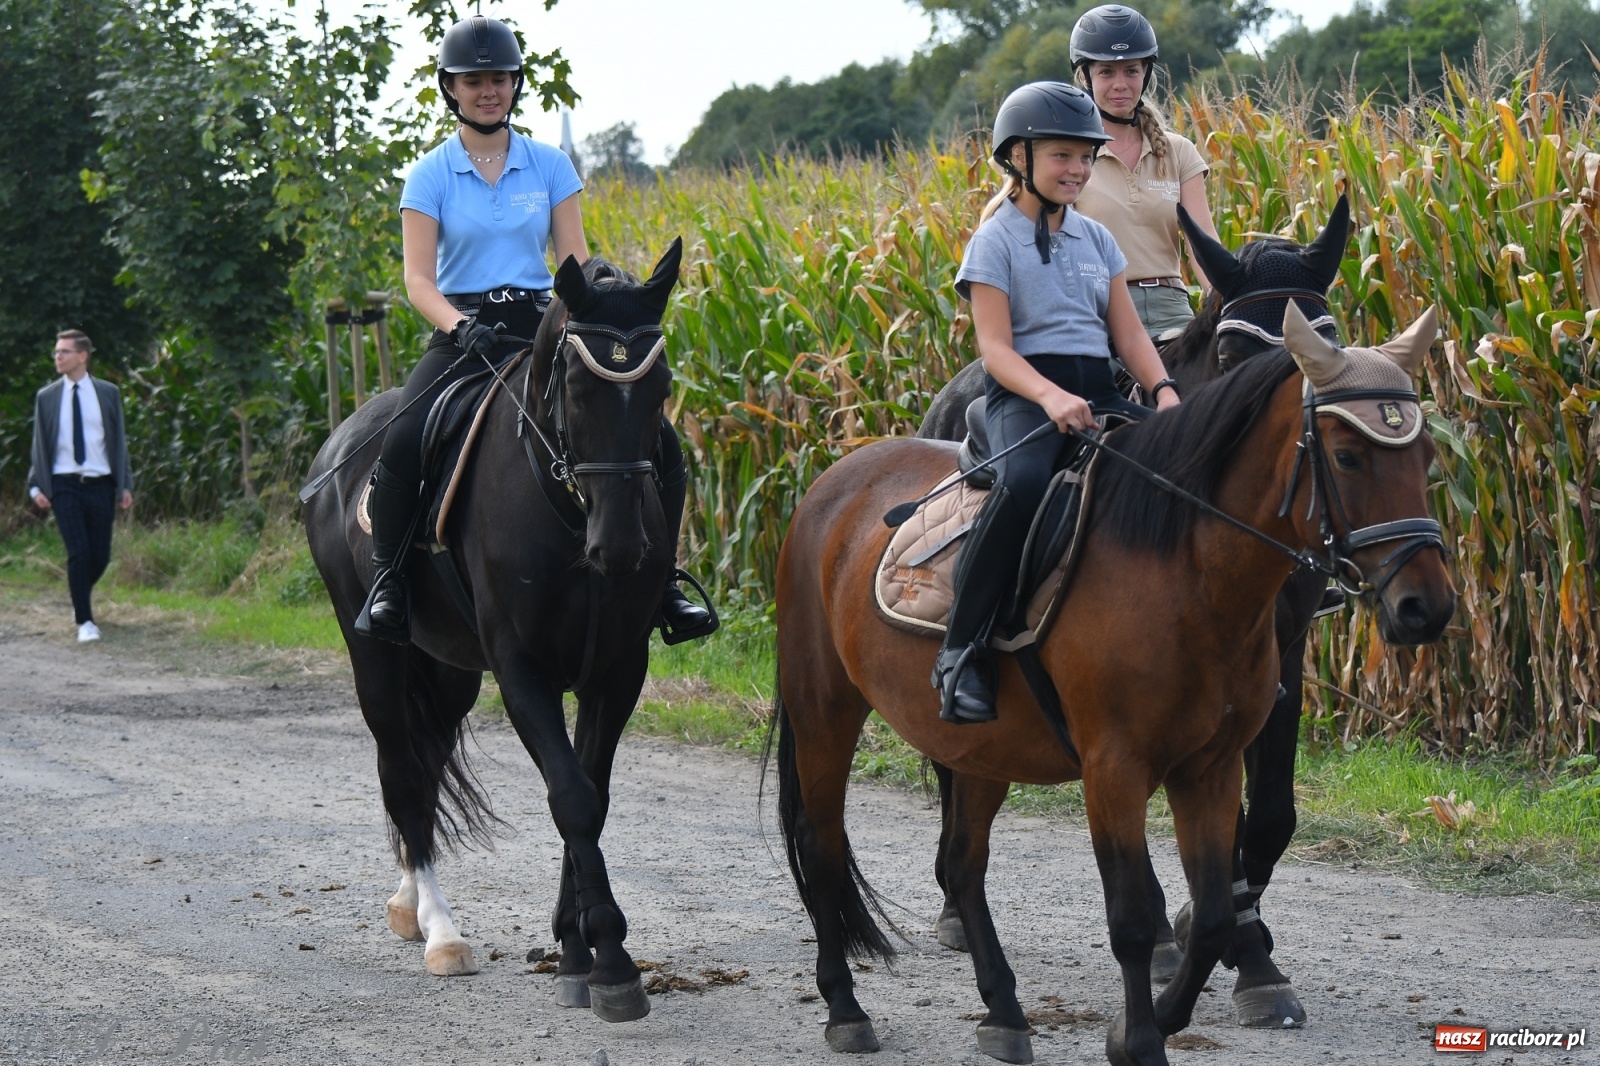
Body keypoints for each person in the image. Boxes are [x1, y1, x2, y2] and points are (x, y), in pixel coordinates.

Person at [356, 14, 714, 645]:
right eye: (473, 81)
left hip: (543, 327)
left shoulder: (550, 166)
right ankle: (389, 582)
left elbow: (572, 264)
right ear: (451, 88)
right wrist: (460, 327)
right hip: (463, 333)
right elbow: (418, 281)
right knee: (405, 435)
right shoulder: (429, 175)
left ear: (515, 85)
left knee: (660, 442)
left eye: (499, 79)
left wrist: (595, 310)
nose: (487, 90)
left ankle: (664, 585)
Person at [933, 81, 1181, 725]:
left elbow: (1127, 334)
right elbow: (995, 350)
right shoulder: (996, 241)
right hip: (1023, 395)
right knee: (1022, 482)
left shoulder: (1098, 241)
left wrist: (1165, 393)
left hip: (1098, 389)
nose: (1076, 170)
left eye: (1084, 157)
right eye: (1061, 156)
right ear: (1019, 158)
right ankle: (960, 652)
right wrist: (1050, 397)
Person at [1070, 3, 1221, 344]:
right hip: (1098, 310)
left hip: (1173, 308)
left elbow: (1203, 245)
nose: (1120, 84)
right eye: (1106, 72)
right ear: (1086, 77)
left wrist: (1227, 300)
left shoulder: (1179, 152)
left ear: (1146, 74)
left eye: (1131, 71)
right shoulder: (1071, 157)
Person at [27, 330, 135, 643]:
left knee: (100, 555)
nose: (57, 357)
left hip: (101, 483)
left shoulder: (107, 393)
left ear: (82, 356)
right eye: (56, 352)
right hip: (64, 484)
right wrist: (36, 487)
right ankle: (85, 620)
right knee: (78, 551)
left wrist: (124, 484)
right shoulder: (46, 397)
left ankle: (79, 596)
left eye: (64, 352)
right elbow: (40, 446)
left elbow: (118, 443)